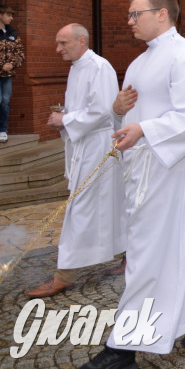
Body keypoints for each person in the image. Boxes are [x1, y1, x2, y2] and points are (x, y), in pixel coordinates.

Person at [79, 0, 185, 369]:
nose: (129, 21)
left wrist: (146, 130)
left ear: (163, 14)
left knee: (148, 251)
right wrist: (118, 112)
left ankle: (123, 348)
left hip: (173, 167)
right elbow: (133, 110)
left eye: (136, 14)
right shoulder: (140, 63)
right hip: (145, 167)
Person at [24, 24, 125, 298]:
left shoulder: (99, 67)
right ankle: (131, 257)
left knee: (79, 207)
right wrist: (65, 120)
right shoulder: (77, 67)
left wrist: (66, 119)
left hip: (98, 146)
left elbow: (104, 111)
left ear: (82, 41)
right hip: (84, 144)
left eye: (62, 43)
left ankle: (64, 275)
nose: (58, 49)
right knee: (111, 205)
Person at [0, 5, 24, 143]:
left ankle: (3, 130)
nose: (11, 18)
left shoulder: (13, 34)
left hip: (7, 76)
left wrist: (11, 64)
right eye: (9, 15)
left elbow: (20, 54)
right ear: (1, 15)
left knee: (5, 102)